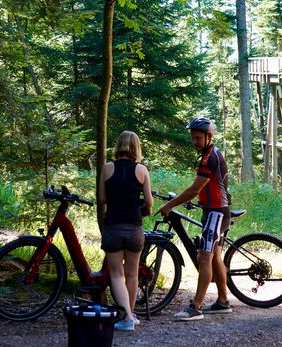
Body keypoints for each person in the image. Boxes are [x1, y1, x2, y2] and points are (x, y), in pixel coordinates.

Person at [158, 117, 233, 321]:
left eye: (198, 138)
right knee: (215, 258)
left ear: (209, 137)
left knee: (204, 258)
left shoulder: (209, 158)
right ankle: (223, 301)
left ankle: (196, 307)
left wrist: (170, 205)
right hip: (216, 211)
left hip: (216, 213)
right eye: (192, 138)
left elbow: (194, 189)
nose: (194, 142)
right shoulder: (212, 153)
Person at [98, 131, 153, 331]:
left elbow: (103, 199)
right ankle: (129, 316)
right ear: (136, 147)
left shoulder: (107, 168)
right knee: (132, 275)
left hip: (113, 227)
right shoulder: (142, 170)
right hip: (135, 229)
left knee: (116, 274)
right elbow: (148, 202)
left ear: (118, 146)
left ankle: (127, 318)